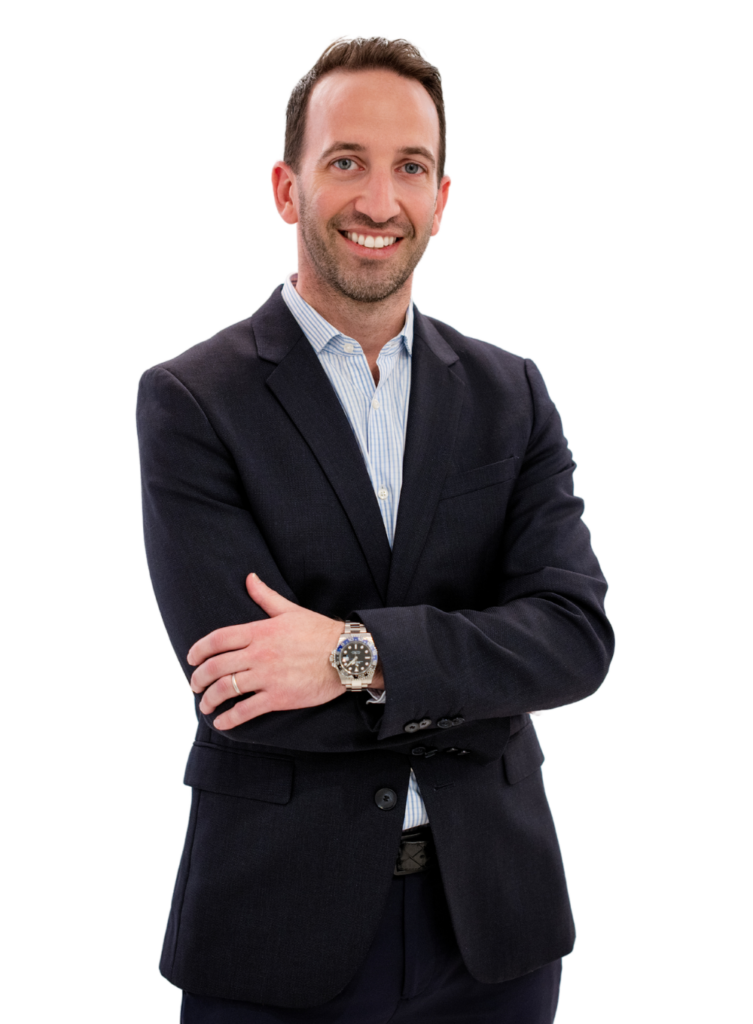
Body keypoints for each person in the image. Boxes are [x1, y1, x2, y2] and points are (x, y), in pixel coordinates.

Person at [135, 33, 614, 1023]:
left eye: (410, 167)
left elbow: (574, 639)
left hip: (495, 936)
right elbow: (243, 683)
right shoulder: (190, 399)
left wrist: (351, 652)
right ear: (285, 187)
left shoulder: (511, 392)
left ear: (443, 197)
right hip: (275, 932)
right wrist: (482, 674)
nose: (378, 201)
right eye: (345, 160)